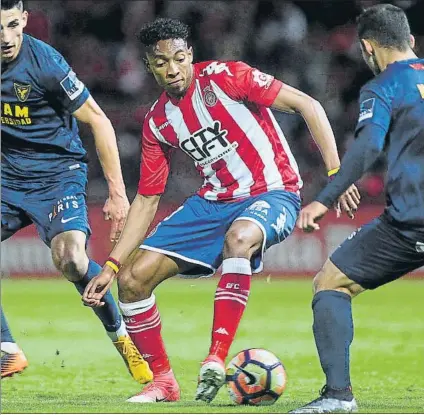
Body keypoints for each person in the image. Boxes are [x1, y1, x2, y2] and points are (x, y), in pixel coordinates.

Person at [83, 17, 358, 404]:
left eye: (179, 58)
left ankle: (216, 356)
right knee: (133, 279)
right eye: (161, 62)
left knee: (240, 238)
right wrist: (111, 265)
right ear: (149, 65)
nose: (173, 69)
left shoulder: (227, 77)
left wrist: (335, 172)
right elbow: (146, 200)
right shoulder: (158, 122)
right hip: (213, 201)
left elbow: (307, 105)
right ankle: (163, 382)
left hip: (273, 192)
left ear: (190, 54)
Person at [0, 0, 152, 384]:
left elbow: (99, 121)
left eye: (12, 25)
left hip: (57, 175)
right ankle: (7, 350)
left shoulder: (45, 63)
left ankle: (122, 340)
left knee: (71, 259)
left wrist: (118, 194)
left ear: (24, 21)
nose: (5, 38)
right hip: (6, 177)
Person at [290, 4, 424, 413]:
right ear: (412, 42)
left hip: (412, 221)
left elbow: (367, 147)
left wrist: (323, 199)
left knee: (331, 283)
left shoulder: (384, 86)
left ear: (367, 47)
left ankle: (337, 397)